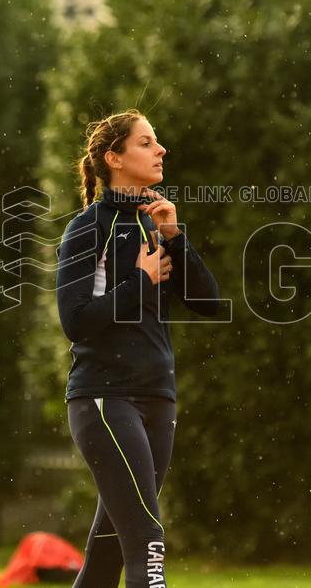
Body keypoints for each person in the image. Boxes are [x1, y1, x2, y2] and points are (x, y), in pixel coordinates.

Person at [55, 109, 221, 587]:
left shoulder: (155, 223)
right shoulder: (88, 227)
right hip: (105, 399)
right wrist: (140, 281)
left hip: (157, 397)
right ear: (114, 158)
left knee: (107, 555)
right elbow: (75, 321)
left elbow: (208, 302)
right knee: (147, 536)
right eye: (146, 143)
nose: (160, 149)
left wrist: (174, 236)